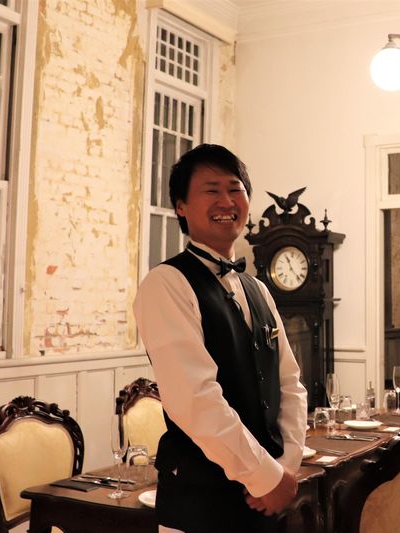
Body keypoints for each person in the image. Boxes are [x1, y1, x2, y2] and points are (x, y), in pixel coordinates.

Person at [134, 144, 307, 533]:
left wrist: (287, 466)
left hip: (266, 500)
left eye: (235, 189)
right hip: (201, 504)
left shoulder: (258, 289)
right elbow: (195, 400)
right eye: (211, 190)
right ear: (181, 206)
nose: (226, 201)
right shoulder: (166, 284)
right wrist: (265, 477)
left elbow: (289, 383)